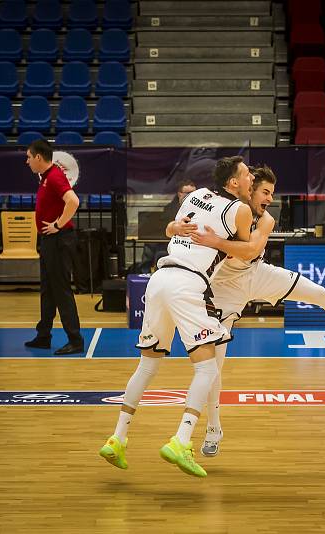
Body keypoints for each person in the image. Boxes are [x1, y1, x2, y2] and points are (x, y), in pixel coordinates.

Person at [185, 166, 325, 457]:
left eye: (272, 194)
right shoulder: (229, 209)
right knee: (214, 367)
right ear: (249, 189)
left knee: (319, 293)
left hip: (257, 273)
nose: (269, 198)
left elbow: (250, 250)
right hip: (224, 288)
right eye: (265, 192)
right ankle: (214, 427)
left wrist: (217, 242)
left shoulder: (267, 219)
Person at [99, 156, 255, 478]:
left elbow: (171, 228)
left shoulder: (195, 195)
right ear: (234, 182)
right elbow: (247, 251)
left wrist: (174, 227)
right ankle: (182, 440)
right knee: (207, 367)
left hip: (159, 277)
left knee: (147, 365)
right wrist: (216, 242)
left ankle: (118, 439)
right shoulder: (240, 209)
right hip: (187, 283)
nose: (251, 177)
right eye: (246, 174)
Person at [23, 139, 84, 355]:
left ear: (39, 157)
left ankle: (75, 340)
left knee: (61, 290)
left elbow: (73, 201)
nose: (27, 161)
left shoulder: (55, 177)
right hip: (49, 241)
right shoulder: (46, 177)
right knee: (47, 290)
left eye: (29, 157)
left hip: (59, 240)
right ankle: (43, 336)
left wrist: (58, 224)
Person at [133, 179, 196, 274]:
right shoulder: (170, 208)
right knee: (151, 244)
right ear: (179, 193)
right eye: (187, 193)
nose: (191, 195)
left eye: (194, 193)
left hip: (191, 245)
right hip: (168, 242)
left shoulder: (199, 208)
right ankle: (144, 273)